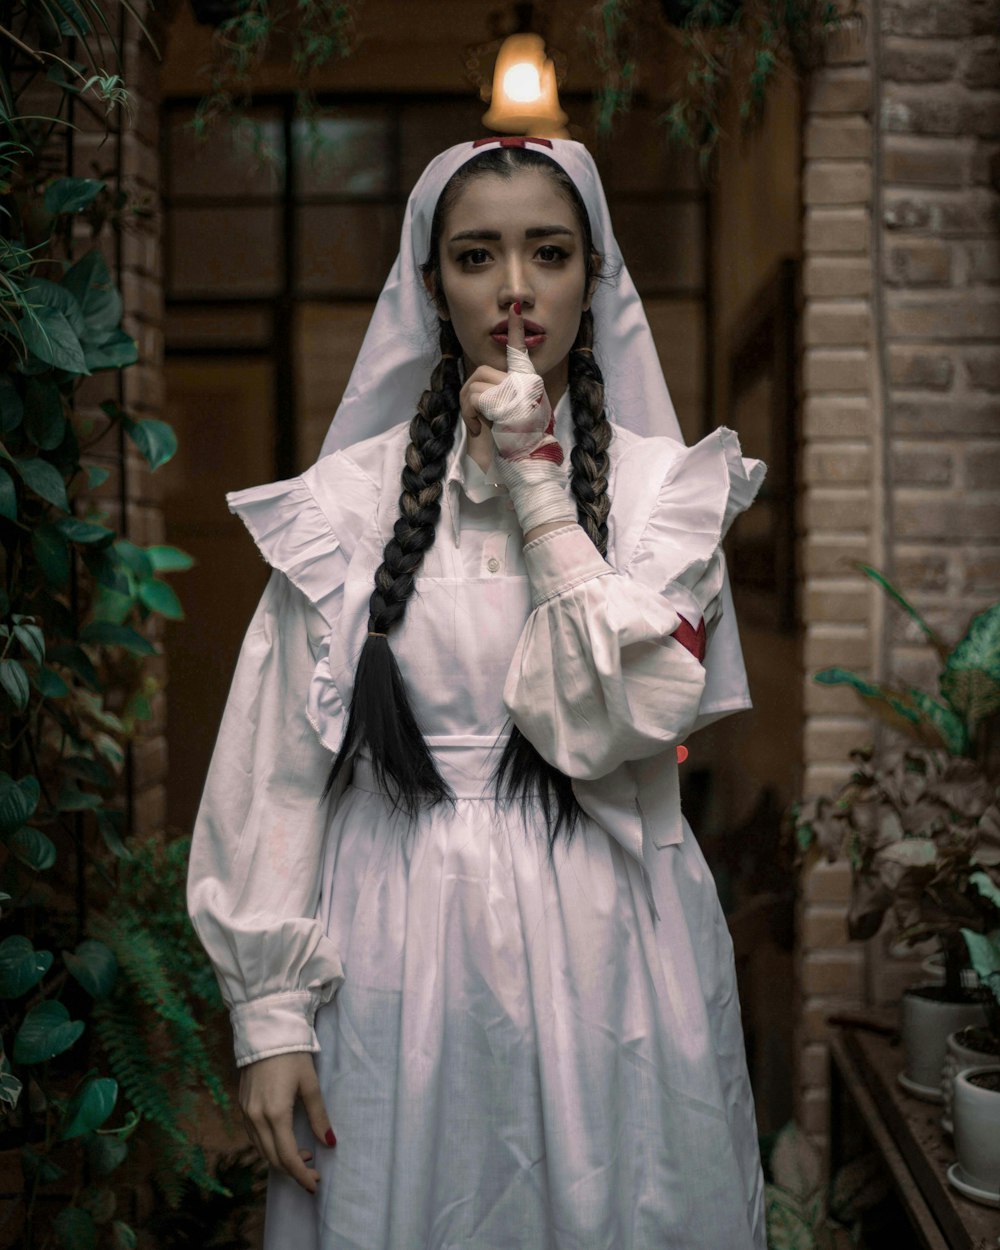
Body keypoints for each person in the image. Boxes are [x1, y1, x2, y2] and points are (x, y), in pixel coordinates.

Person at [187, 135, 769, 1249]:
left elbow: (623, 720)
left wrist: (543, 491)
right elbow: (273, 764)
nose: (512, 290)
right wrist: (268, 1015)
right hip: (394, 949)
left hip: (612, 948)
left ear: (591, 278)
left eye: (547, 253)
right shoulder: (348, 504)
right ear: (428, 286)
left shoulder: (665, 494)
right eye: (475, 256)